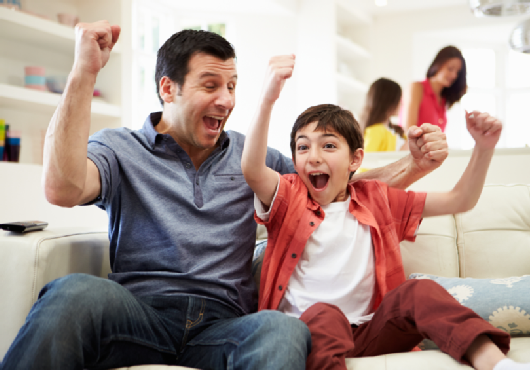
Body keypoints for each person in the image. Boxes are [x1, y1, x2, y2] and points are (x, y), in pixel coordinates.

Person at [1, 21, 448, 370]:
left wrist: (414, 165)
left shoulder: (252, 156)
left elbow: (335, 188)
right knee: (73, 293)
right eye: (211, 85)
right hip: (141, 313)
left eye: (232, 86)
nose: (226, 100)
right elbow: (62, 187)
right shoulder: (121, 148)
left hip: (223, 325)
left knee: (281, 331)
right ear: (167, 89)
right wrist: (84, 72)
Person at [241, 54, 530, 370]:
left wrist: (484, 149)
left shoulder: (376, 198)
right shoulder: (290, 195)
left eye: (329, 146)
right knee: (325, 313)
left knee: (418, 291)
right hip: (308, 333)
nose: (313, 157)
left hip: (372, 332)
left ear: (355, 160)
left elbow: (460, 200)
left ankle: (502, 366)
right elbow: (253, 169)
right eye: (303, 146)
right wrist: (268, 98)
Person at [403, 45, 467, 133]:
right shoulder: (416, 88)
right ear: (438, 64)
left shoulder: (443, 98)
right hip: (414, 146)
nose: (454, 75)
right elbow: (408, 130)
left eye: (457, 72)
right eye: (450, 69)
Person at [359, 77, 407, 152]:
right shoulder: (376, 131)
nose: (401, 104)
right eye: (399, 100)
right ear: (390, 102)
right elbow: (367, 160)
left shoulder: (395, 130)